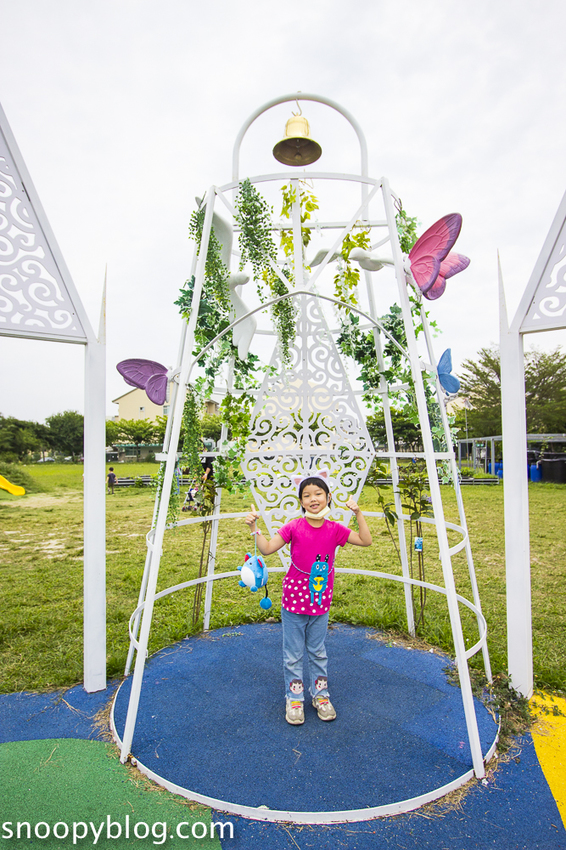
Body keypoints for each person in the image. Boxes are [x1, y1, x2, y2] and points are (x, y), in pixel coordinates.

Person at [244, 475, 372, 726]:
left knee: (317, 651)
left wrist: (358, 513)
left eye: (318, 493)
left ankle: (320, 696)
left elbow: (366, 541)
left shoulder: (335, 529)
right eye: (306, 495)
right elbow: (267, 548)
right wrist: (254, 528)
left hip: (320, 601)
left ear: (328, 497)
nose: (313, 499)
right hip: (293, 601)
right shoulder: (294, 527)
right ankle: (294, 698)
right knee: (292, 654)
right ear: (301, 501)